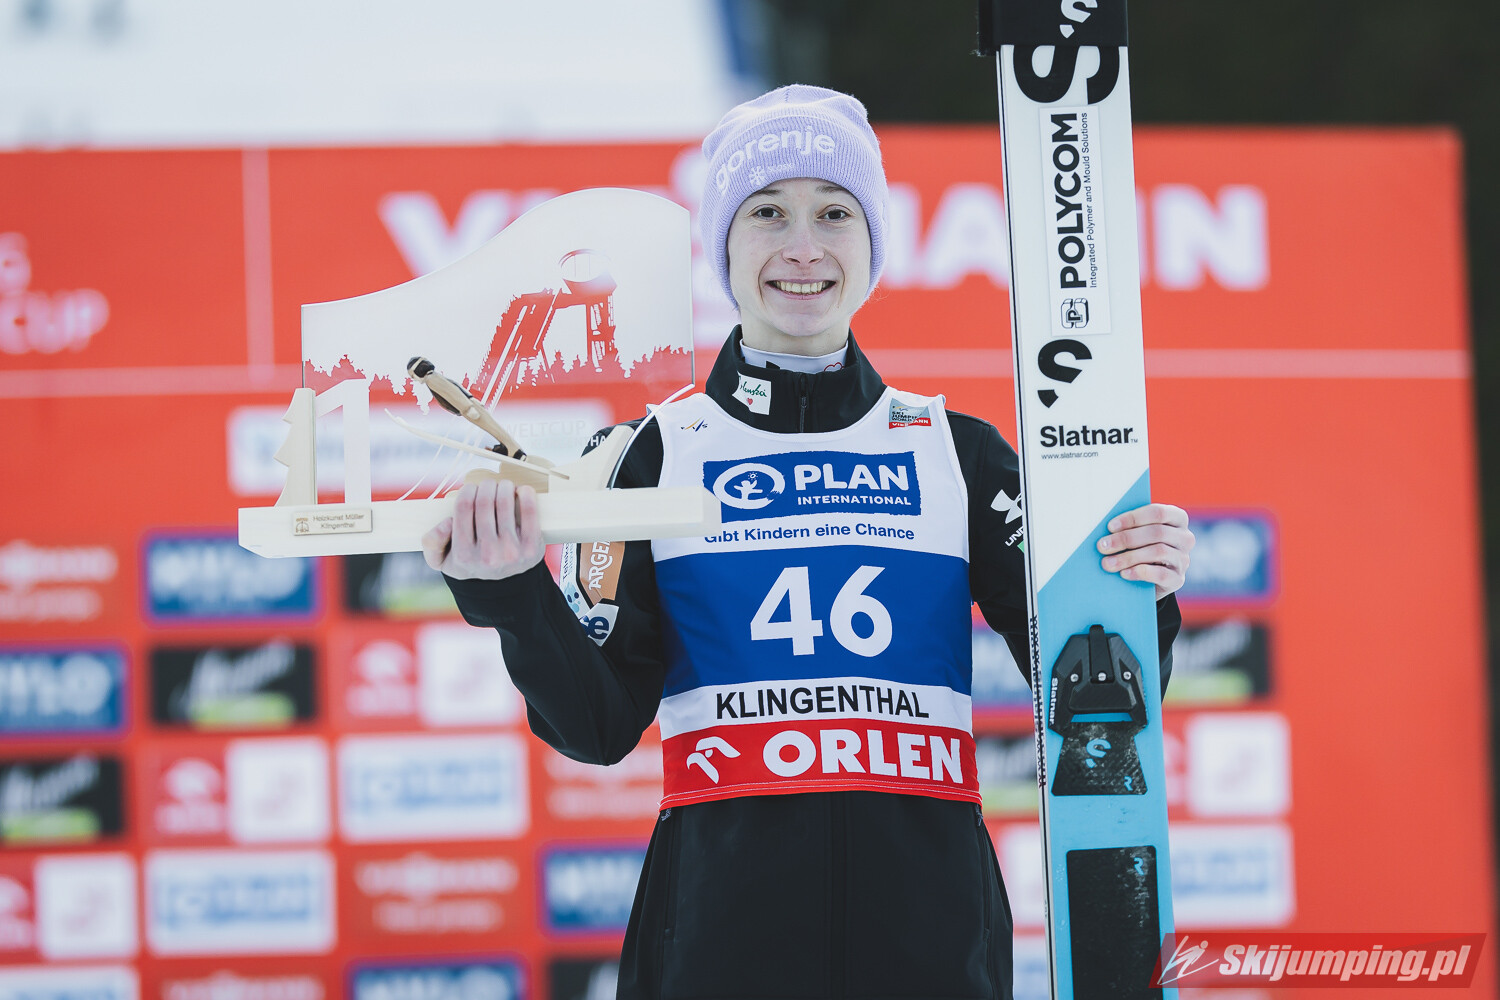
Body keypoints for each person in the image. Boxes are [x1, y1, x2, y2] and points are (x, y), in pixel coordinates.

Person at [423, 85, 1193, 1000]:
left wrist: (1138, 592)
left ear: (873, 244)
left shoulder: (959, 453)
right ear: (723, 246)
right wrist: (513, 595)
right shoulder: (649, 456)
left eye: (834, 212)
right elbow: (594, 727)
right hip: (718, 953)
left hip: (930, 948)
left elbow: (1091, 696)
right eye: (766, 213)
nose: (803, 246)